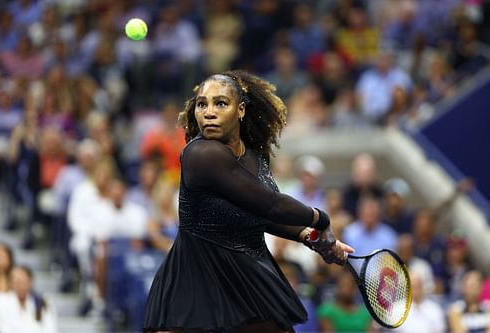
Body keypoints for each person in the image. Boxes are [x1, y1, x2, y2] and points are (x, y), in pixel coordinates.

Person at [143, 70, 354, 333]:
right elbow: (271, 204)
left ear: (240, 110)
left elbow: (261, 215)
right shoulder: (201, 154)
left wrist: (310, 237)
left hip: (245, 277)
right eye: (201, 104)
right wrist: (320, 219)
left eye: (220, 103)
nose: (208, 111)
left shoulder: (255, 156)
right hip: (196, 281)